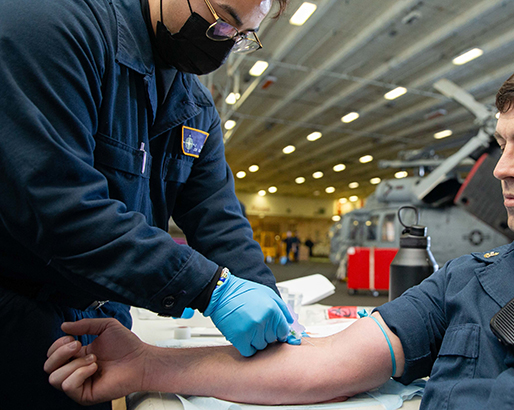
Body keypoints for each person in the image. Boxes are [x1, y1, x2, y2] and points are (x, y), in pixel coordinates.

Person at [45, 46, 514, 409]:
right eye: (501, 145)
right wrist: (148, 365)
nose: (503, 171)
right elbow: (319, 367)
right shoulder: (469, 280)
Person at [0, 0, 294, 408]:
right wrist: (211, 289)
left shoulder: (194, 108)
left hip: (98, 318)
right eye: (222, 21)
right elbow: (57, 205)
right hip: (15, 314)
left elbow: (218, 218)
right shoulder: (51, 27)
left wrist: (261, 294)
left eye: (241, 35)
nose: (225, 44)